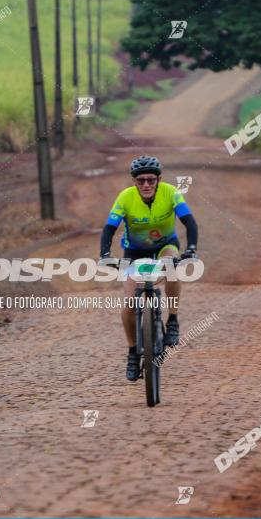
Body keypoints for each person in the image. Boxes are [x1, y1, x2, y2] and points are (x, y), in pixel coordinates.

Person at [99, 155, 199, 381]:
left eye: (151, 180)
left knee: (172, 262)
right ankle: (133, 352)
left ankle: (172, 320)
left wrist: (191, 249)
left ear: (158, 180)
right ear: (134, 181)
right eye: (141, 180)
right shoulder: (125, 197)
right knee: (129, 302)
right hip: (135, 252)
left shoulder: (171, 193)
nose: (146, 185)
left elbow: (189, 222)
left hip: (165, 246)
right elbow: (109, 228)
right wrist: (105, 254)